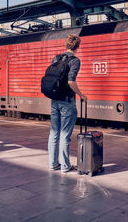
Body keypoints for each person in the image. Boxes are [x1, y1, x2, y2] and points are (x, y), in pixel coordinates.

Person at [48, 34, 87, 173]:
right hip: (67, 101)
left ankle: (53, 164)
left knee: (54, 133)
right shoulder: (75, 61)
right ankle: (65, 166)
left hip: (54, 100)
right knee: (65, 134)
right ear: (77, 46)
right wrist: (81, 95)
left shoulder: (56, 58)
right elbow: (71, 81)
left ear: (66, 44)